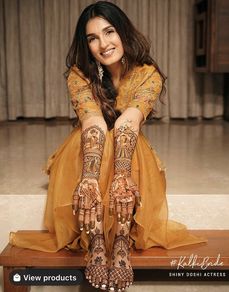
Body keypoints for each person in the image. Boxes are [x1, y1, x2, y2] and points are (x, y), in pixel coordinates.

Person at [9, 1, 207, 291]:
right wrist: (88, 179)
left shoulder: (148, 74)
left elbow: (129, 123)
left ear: (123, 31)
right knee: (98, 136)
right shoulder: (79, 74)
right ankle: (97, 240)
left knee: (124, 136)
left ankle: (122, 239)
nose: (103, 44)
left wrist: (122, 176)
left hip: (131, 154)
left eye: (109, 31)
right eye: (92, 38)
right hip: (86, 149)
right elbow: (93, 123)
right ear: (85, 44)